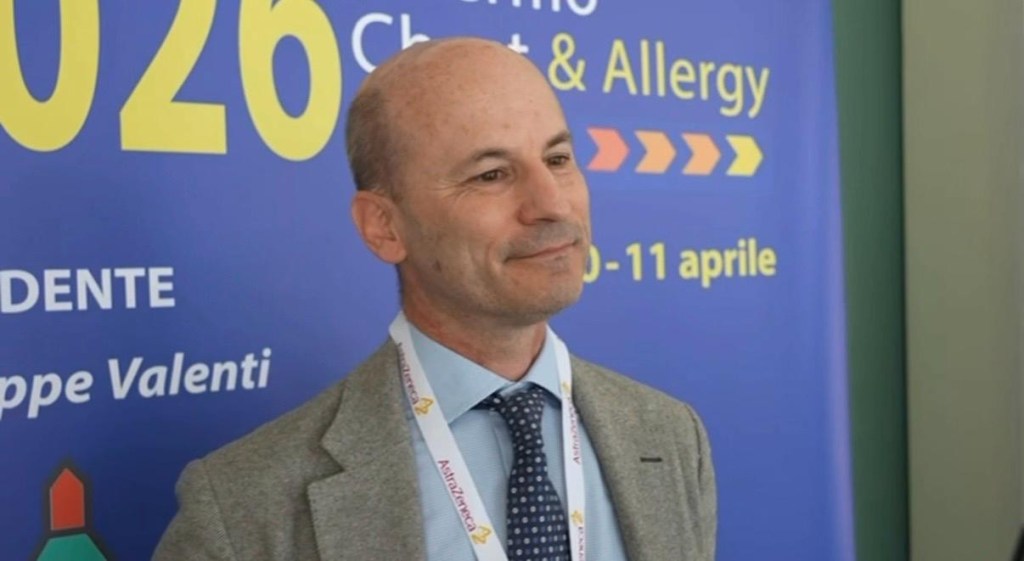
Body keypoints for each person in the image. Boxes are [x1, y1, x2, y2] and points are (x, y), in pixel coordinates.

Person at [153, 37, 716, 561]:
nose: (552, 204)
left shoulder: (670, 435)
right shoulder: (241, 506)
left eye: (558, 159)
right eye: (491, 175)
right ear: (384, 227)